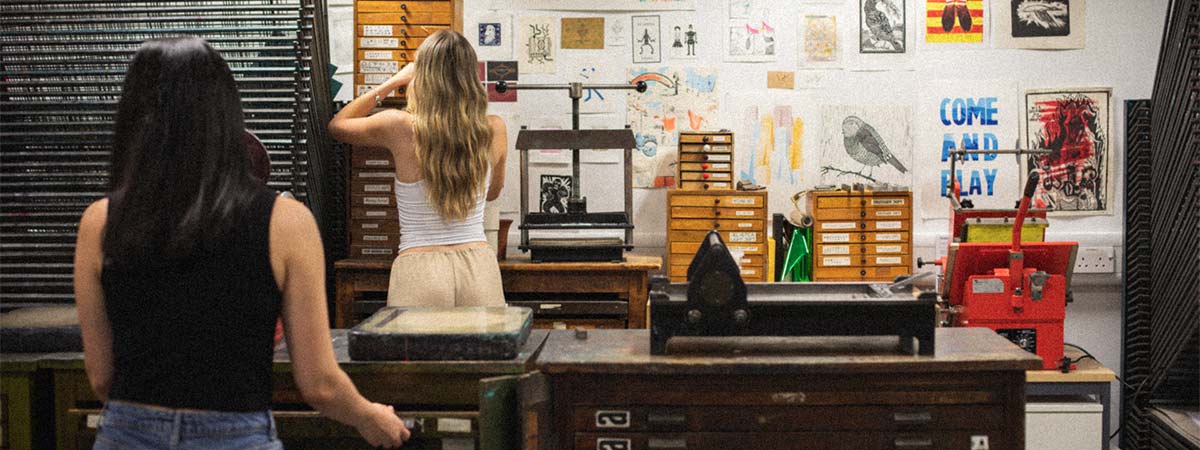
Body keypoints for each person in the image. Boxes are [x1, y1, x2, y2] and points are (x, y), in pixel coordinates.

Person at [73, 37, 409, 450]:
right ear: (227, 114)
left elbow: (102, 377)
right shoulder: (286, 223)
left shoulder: (99, 223)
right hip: (235, 436)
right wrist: (369, 416)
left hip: (127, 434)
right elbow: (319, 383)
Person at [330, 30, 508, 308]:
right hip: (479, 268)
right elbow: (493, 193)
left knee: (415, 352)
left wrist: (393, 82)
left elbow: (338, 125)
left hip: (420, 269)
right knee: (483, 351)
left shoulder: (398, 126)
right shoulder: (494, 128)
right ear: (472, 77)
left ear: (422, 76)